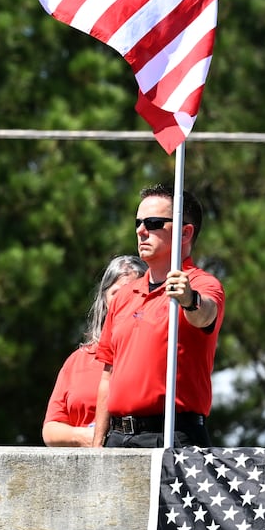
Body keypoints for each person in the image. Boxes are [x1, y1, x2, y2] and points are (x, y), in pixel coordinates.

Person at [92, 186, 225, 449]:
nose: (141, 230)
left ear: (185, 232)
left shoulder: (202, 284)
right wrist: (98, 445)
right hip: (118, 439)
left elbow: (205, 315)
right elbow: (108, 375)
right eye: (138, 223)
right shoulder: (124, 295)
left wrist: (189, 299)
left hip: (173, 436)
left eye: (153, 223)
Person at [42, 255, 147, 447]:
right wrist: (83, 436)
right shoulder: (78, 360)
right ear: (105, 299)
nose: (124, 299)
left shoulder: (152, 356)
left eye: (133, 293)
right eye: (116, 293)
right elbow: (50, 430)